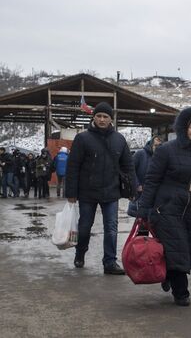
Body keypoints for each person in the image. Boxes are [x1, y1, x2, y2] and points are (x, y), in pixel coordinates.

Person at [135, 107, 191, 306]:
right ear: (184, 128)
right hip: (167, 206)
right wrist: (143, 211)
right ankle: (181, 292)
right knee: (177, 246)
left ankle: (169, 274)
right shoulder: (166, 150)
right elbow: (152, 180)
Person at [65, 102, 135, 275]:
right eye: (99, 116)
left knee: (111, 227)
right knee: (84, 227)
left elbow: (128, 165)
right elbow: (73, 167)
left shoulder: (119, 139)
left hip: (111, 192)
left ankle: (110, 262)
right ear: (93, 117)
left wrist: (133, 189)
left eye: (105, 116)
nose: (102, 119)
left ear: (111, 119)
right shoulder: (82, 139)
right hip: (87, 192)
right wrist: (71, 193)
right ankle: (80, 252)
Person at [127, 135, 162, 217]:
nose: (158, 148)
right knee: (140, 221)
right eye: (156, 146)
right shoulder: (140, 154)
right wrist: (137, 185)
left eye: (160, 146)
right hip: (140, 194)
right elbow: (130, 170)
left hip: (155, 195)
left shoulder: (162, 158)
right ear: (151, 145)